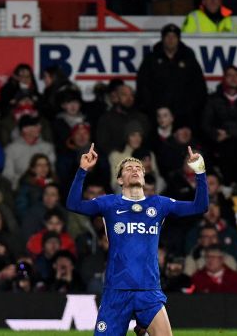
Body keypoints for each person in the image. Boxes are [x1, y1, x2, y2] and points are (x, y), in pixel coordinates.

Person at [66, 143, 208, 335]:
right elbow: (73, 204)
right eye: (128, 168)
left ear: (143, 176)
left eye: (138, 168)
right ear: (119, 180)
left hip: (148, 291)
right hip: (116, 291)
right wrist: (83, 170)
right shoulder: (108, 203)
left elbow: (199, 206)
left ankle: (142, 327)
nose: (134, 170)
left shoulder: (158, 204)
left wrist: (199, 171)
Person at [136, 24, 206, 130]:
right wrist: (152, 108)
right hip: (157, 115)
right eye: (168, 36)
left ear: (178, 39)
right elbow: (143, 85)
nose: (170, 40)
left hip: (184, 116)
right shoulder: (151, 59)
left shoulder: (188, 59)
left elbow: (198, 86)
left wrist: (189, 109)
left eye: (174, 37)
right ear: (163, 39)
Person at [202, 65, 237, 197]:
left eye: (236, 75)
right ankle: (227, 184)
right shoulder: (214, 99)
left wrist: (230, 133)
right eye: (229, 75)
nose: (233, 78)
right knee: (225, 148)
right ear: (224, 79)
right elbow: (205, 124)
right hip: (220, 139)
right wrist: (216, 134)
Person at [2, 115, 56, 187]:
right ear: (25, 129)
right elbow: (8, 175)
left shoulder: (47, 147)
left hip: (44, 189)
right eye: (35, 125)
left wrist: (44, 183)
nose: (39, 127)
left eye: (39, 125)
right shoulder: (11, 149)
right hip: (20, 188)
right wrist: (26, 183)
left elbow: (52, 175)